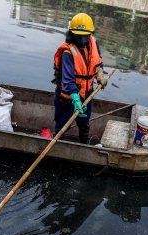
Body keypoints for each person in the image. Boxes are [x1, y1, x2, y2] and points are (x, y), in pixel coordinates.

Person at [52, 13, 107, 144]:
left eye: (85, 35)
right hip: (68, 97)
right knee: (62, 125)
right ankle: (58, 146)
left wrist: (100, 75)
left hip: (86, 94)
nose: (83, 38)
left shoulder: (93, 43)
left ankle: (84, 144)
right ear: (72, 33)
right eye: (79, 34)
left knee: (84, 123)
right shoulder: (68, 51)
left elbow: (98, 62)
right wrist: (75, 99)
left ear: (90, 33)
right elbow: (68, 78)